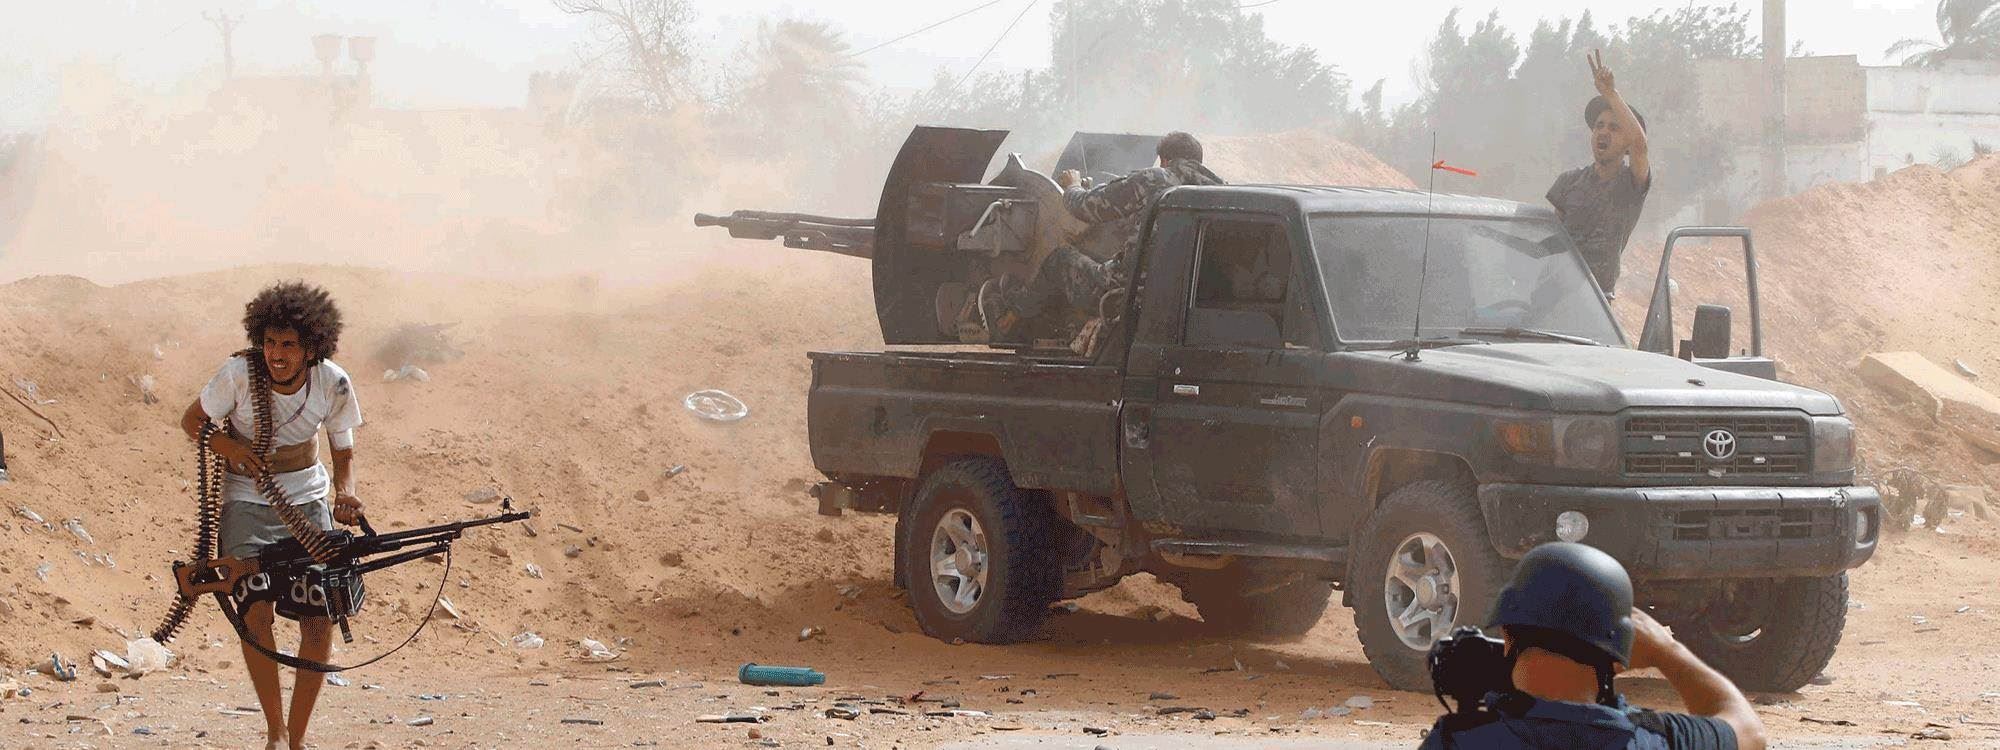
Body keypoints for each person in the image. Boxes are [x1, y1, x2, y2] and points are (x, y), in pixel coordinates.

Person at [177, 281, 365, 750]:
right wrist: (228, 445)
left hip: (306, 498)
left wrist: (346, 494)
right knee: (255, 610)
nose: (276, 354)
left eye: (288, 344)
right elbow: (191, 421)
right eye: (269, 343)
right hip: (246, 500)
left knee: (319, 616)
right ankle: (274, 732)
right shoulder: (238, 374)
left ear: (310, 347)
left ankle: (298, 737)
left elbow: (343, 450)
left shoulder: (332, 381)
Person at [1420, 543, 1766, 750]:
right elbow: (1749, 732)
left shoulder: (1456, 742)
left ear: (1508, 634)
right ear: (1618, 659)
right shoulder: (1659, 741)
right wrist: (1666, 650)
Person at [980, 130, 1224, 343]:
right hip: (1186, 294)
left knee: (1061, 260)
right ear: (1197, 160)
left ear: (1165, 160)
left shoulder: (1156, 179)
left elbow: (1086, 207)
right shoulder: (1221, 191)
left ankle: (1008, 317)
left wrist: (1073, 185)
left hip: (1126, 290)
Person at [1547, 49, 1651, 298]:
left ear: (1627, 146)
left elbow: (1641, 145)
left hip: (1597, 303)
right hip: (1551, 294)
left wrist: (1610, 93)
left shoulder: (1631, 185)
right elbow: (1551, 241)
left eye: (1614, 128)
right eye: (1599, 126)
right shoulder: (1568, 182)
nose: (1603, 132)